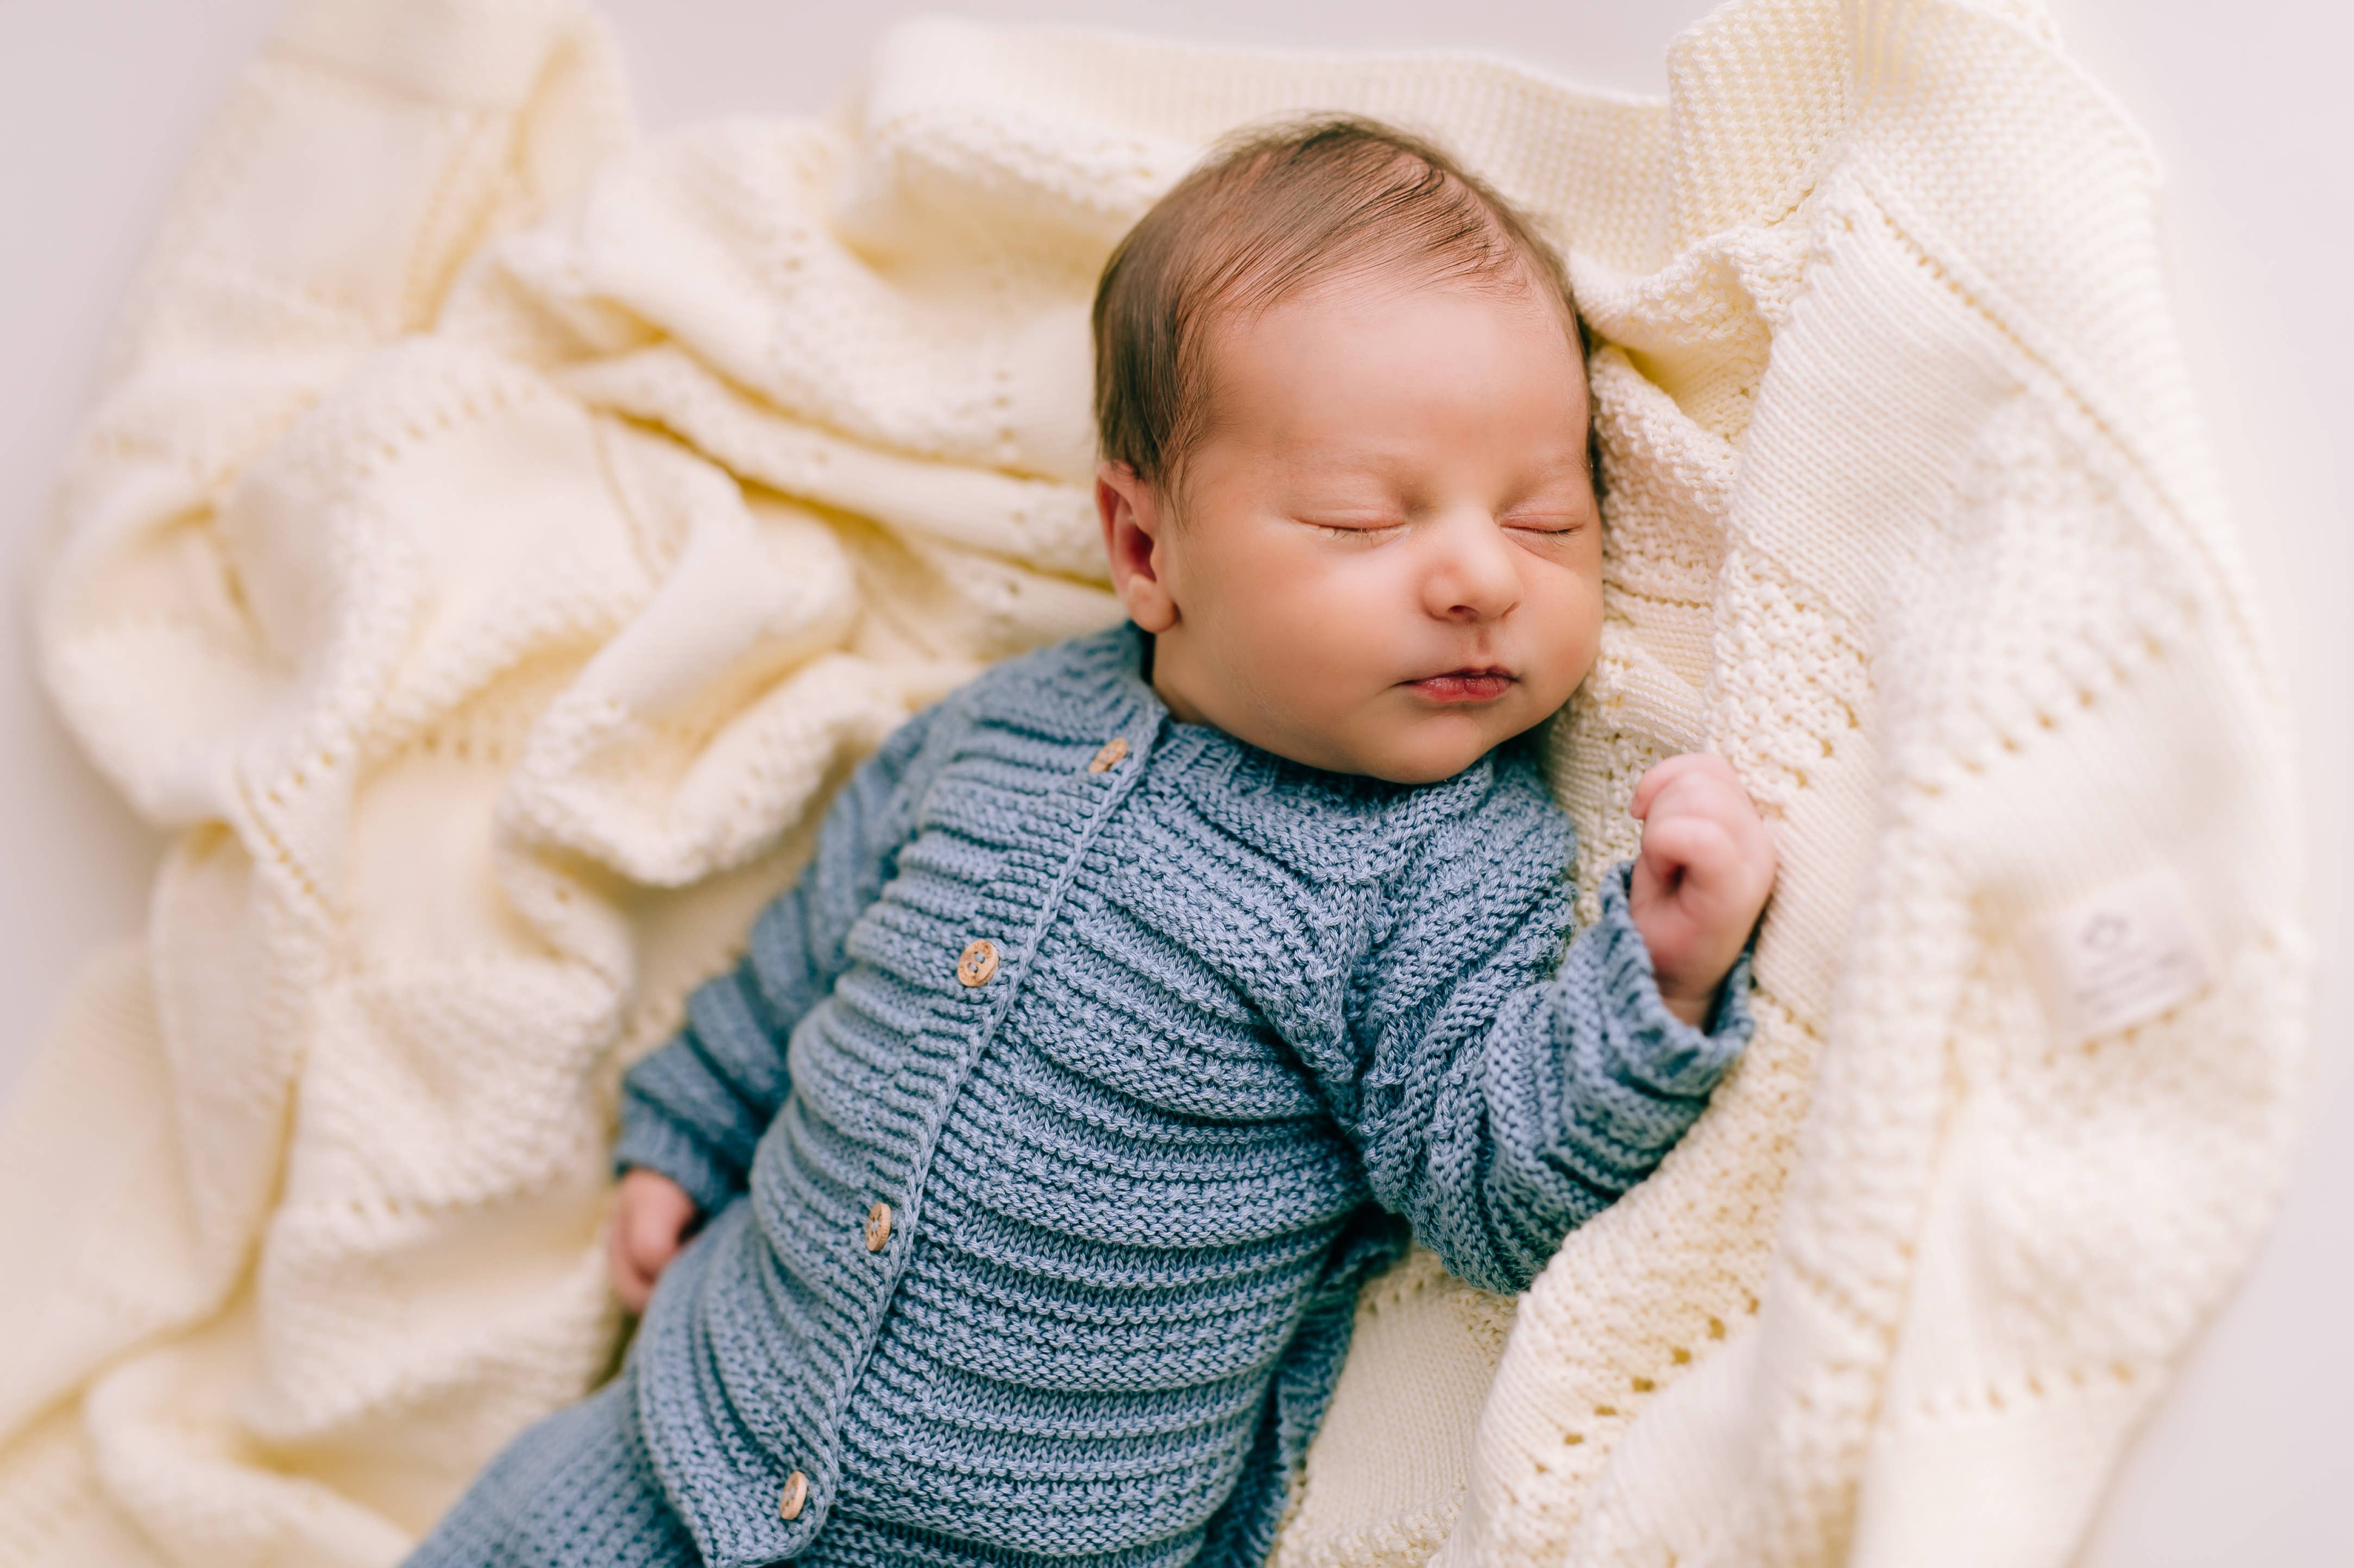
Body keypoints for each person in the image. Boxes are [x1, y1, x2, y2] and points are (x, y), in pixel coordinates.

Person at [406, 115, 1777, 1568]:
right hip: (688, 1431)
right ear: (1143, 549)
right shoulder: (999, 727)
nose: (1482, 578)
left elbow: (1490, 1180)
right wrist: (688, 1133)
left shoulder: (1445, 868)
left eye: (1549, 523)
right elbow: (808, 948)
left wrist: (1658, 980)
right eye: (1362, 521)